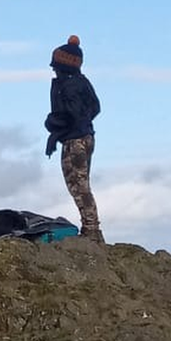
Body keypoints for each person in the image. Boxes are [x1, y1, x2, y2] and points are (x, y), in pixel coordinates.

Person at [44, 35, 102, 243]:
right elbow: (95, 107)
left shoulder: (67, 86)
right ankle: (91, 228)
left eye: (55, 65)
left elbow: (70, 113)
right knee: (82, 183)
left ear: (63, 65)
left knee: (78, 185)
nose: (53, 69)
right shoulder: (83, 82)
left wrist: (53, 125)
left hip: (74, 141)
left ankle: (92, 231)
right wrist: (83, 124)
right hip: (87, 137)